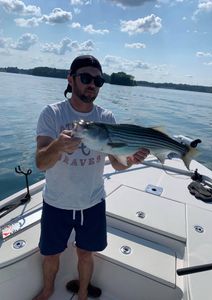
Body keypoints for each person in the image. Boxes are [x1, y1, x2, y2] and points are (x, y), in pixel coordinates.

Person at [33, 55, 149, 300]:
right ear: (70, 79)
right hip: (56, 202)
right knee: (51, 254)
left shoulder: (106, 117)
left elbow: (118, 165)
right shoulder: (52, 114)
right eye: (86, 78)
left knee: (86, 254)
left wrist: (131, 160)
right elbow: (41, 163)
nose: (92, 85)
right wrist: (56, 147)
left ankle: (83, 294)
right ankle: (47, 291)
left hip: (93, 202)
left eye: (98, 80)